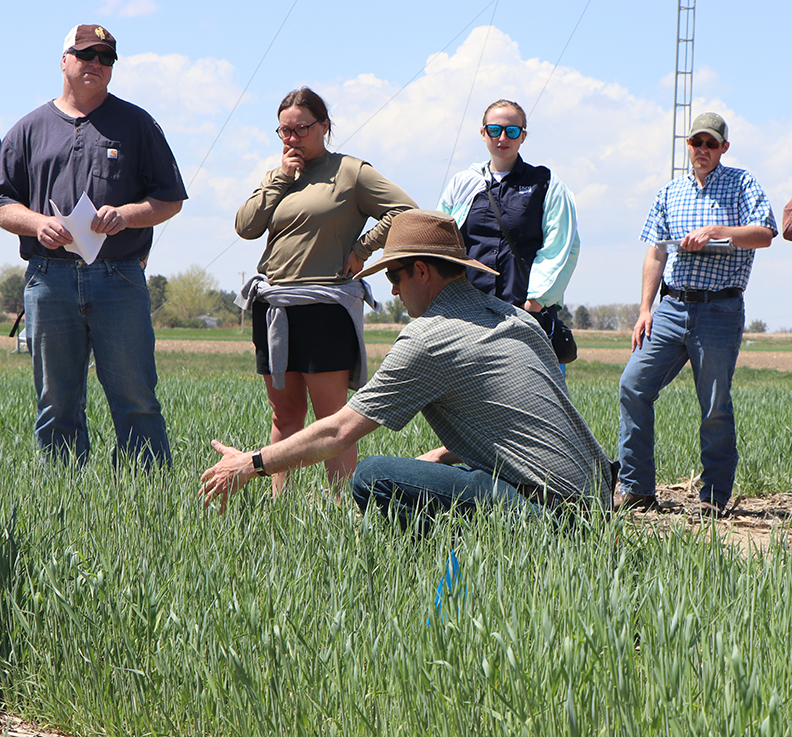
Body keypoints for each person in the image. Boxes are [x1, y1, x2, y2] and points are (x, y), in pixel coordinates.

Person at [201, 210, 616, 529]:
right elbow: (518, 420)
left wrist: (251, 463)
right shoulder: (516, 318)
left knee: (372, 474)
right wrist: (444, 454)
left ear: (422, 270)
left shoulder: (429, 337)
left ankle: (438, 565)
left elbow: (337, 431)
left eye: (395, 276)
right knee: (444, 470)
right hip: (596, 506)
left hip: (549, 520)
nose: (394, 290)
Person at [0, 24, 186, 467]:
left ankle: (146, 501)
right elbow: (3, 200)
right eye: (86, 55)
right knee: (56, 403)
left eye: (105, 59)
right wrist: (36, 223)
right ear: (64, 60)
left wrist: (126, 215)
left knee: (136, 399)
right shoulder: (29, 128)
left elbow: (169, 199)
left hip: (119, 277)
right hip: (49, 279)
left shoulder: (137, 124)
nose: (96, 65)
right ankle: (66, 499)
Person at [234, 87, 417, 496]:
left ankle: (340, 511)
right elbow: (245, 227)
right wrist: (281, 178)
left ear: (325, 127)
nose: (293, 138)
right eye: (284, 131)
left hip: (324, 306)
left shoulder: (350, 172)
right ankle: (277, 506)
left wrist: (363, 248)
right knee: (285, 413)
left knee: (331, 416)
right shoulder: (277, 176)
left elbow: (405, 210)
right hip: (275, 307)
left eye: (302, 128)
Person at [616, 112, 777, 517]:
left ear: (724, 147)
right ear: (687, 146)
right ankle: (637, 488)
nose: (702, 150)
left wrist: (718, 230)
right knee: (633, 386)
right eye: (695, 143)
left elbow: (765, 234)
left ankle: (714, 496)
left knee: (714, 405)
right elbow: (655, 252)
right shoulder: (669, 192)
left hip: (720, 309)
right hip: (670, 307)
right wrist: (644, 309)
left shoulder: (742, 183)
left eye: (710, 143)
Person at [438, 99, 579, 320]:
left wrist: (535, 302)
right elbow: (440, 242)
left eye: (512, 131)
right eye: (494, 130)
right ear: (483, 133)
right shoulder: (462, 184)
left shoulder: (547, 184)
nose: (502, 138)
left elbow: (562, 246)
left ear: (523, 136)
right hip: (466, 312)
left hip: (523, 313)